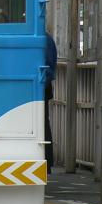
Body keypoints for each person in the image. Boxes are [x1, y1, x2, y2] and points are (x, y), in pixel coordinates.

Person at [43, 31, 57, 172]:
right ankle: (47, 161)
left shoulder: (44, 39)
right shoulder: (48, 39)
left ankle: (46, 160)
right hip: (44, 87)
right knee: (43, 123)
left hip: (41, 87)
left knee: (42, 124)